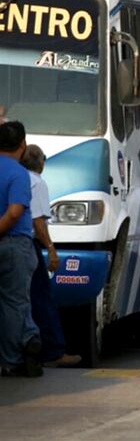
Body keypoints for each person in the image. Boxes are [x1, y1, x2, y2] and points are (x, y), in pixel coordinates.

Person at [22, 145, 79, 367]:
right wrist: (51, 249)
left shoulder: (15, 176)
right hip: (28, 244)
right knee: (42, 297)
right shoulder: (37, 182)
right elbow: (38, 222)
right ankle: (53, 351)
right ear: (41, 162)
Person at [0, 122, 43, 377]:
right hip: (15, 244)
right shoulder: (19, 174)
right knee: (15, 303)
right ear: (23, 145)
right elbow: (15, 211)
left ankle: (30, 338)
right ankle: (13, 358)